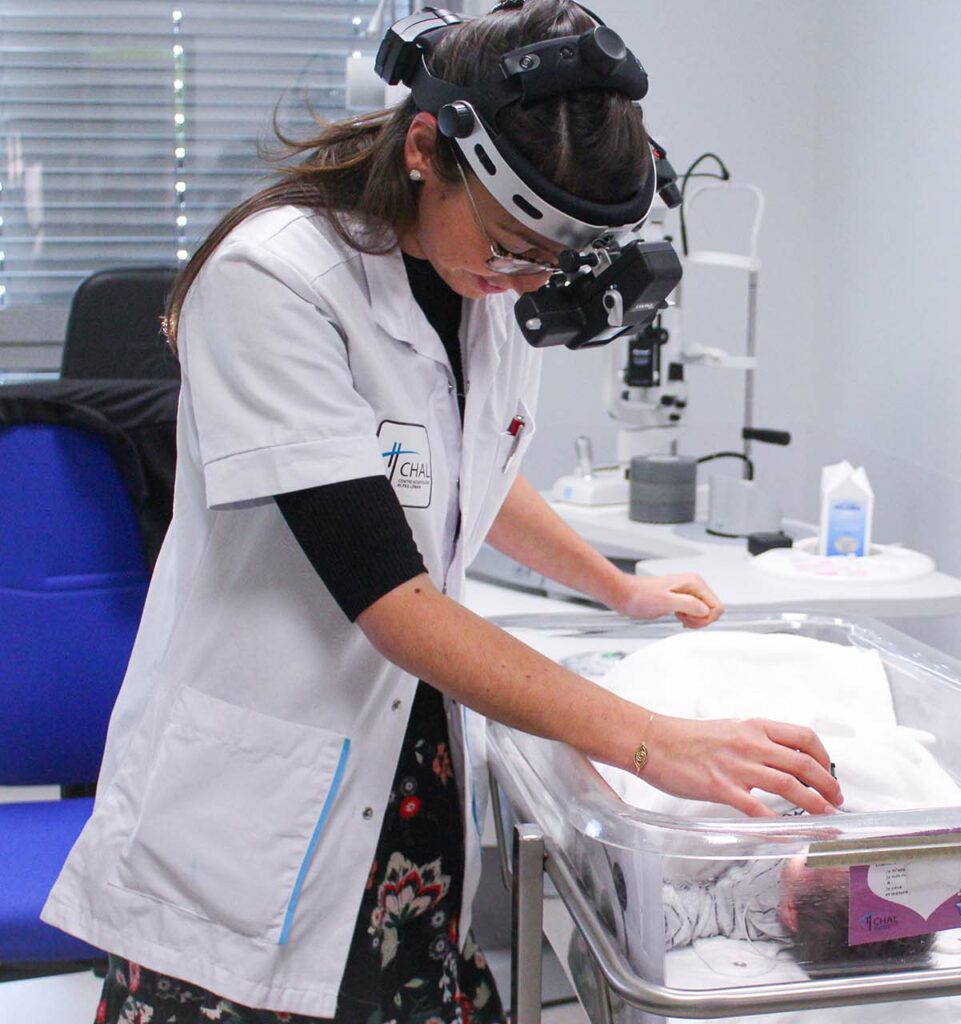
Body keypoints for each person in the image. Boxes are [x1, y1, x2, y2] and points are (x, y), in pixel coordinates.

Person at [41, 3, 839, 1022]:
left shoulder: (476, 288)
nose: (528, 281)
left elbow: (463, 468)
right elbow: (392, 598)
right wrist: (653, 741)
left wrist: (616, 587)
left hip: (409, 777)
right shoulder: (274, 280)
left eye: (553, 260)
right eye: (513, 245)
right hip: (253, 799)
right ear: (425, 148)